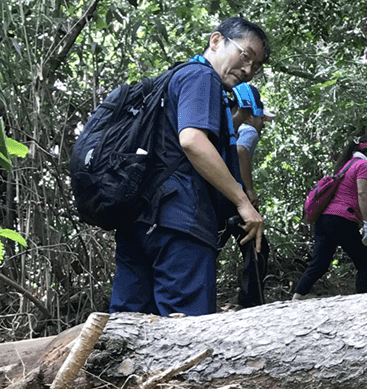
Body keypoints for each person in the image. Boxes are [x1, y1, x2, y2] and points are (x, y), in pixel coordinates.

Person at [109, 17, 269, 317]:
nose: (248, 70)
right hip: (180, 223)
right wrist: (243, 202)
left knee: (126, 328)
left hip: (138, 220)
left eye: (255, 66)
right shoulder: (202, 77)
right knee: (186, 334)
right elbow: (193, 141)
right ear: (216, 41)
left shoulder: (173, 78)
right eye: (245, 56)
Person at [292, 132, 367, 299]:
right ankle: (364, 300)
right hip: (341, 220)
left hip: (324, 219)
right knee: (364, 262)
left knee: (319, 263)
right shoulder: (364, 165)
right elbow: (362, 195)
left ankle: (298, 295)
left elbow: (352, 197)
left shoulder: (348, 164)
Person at [228, 82, 275, 307]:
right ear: (249, 115)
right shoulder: (249, 131)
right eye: (262, 118)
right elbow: (240, 152)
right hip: (233, 199)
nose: (263, 124)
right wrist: (249, 191)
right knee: (257, 246)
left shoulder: (230, 129)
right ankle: (251, 303)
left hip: (222, 197)